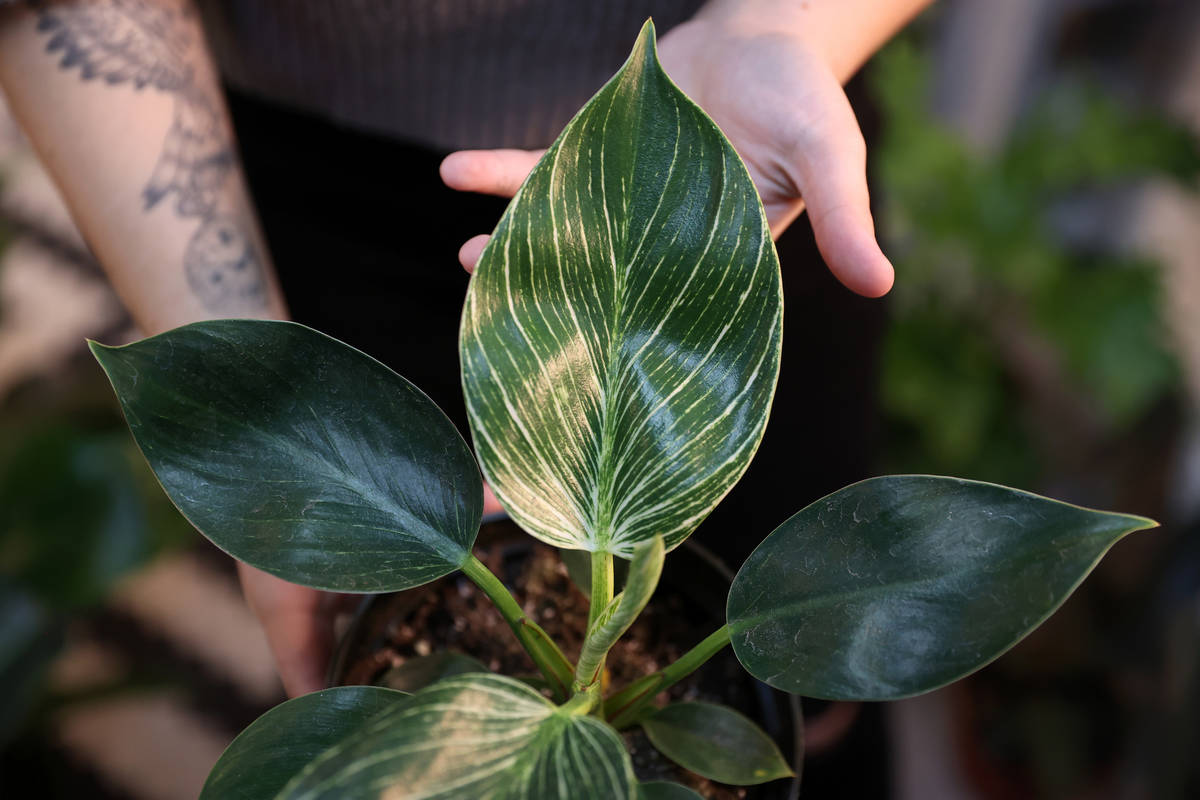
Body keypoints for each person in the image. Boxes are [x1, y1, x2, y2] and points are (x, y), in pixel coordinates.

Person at [0, 0, 931, 698]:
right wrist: (261, 417)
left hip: (723, 169)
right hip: (288, 164)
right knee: (379, 659)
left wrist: (786, 26)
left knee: (800, 679)